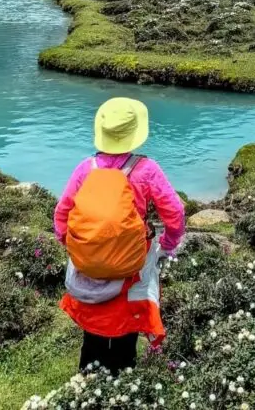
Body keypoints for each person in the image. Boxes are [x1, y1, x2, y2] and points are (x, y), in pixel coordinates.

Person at [54, 97, 185, 374]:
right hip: (131, 266)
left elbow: (61, 214)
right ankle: (124, 385)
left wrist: (78, 245)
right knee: (126, 332)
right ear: (134, 135)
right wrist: (168, 245)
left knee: (93, 332)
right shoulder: (146, 169)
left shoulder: (85, 169)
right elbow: (174, 212)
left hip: (89, 265)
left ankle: (86, 386)